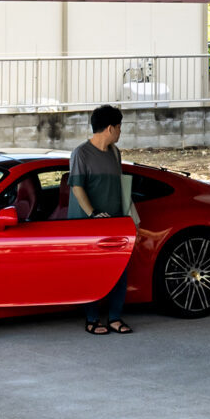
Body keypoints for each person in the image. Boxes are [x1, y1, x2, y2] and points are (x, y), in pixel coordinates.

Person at [69, 104, 133, 335]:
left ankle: (115, 317)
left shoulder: (115, 153)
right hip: (88, 225)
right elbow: (77, 187)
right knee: (91, 272)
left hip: (115, 223)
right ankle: (92, 319)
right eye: (119, 127)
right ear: (110, 128)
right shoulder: (81, 153)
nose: (120, 132)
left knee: (119, 271)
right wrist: (93, 213)